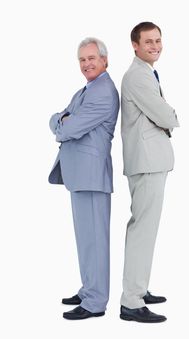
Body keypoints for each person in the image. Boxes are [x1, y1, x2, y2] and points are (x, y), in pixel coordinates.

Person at [48, 37, 119, 320]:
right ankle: (89, 288)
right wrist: (61, 119)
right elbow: (57, 118)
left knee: (95, 240)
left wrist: (63, 121)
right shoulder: (85, 90)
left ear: (104, 60)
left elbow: (67, 127)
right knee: (85, 239)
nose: (86, 64)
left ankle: (95, 301)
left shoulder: (103, 91)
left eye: (91, 58)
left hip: (91, 175)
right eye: (82, 60)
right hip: (80, 175)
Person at [120, 22, 180, 323]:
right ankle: (131, 301)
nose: (155, 46)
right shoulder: (136, 76)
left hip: (151, 161)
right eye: (148, 41)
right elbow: (163, 113)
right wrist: (172, 116)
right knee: (142, 231)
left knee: (146, 231)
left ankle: (138, 290)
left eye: (158, 40)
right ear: (135, 44)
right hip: (147, 162)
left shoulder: (145, 73)